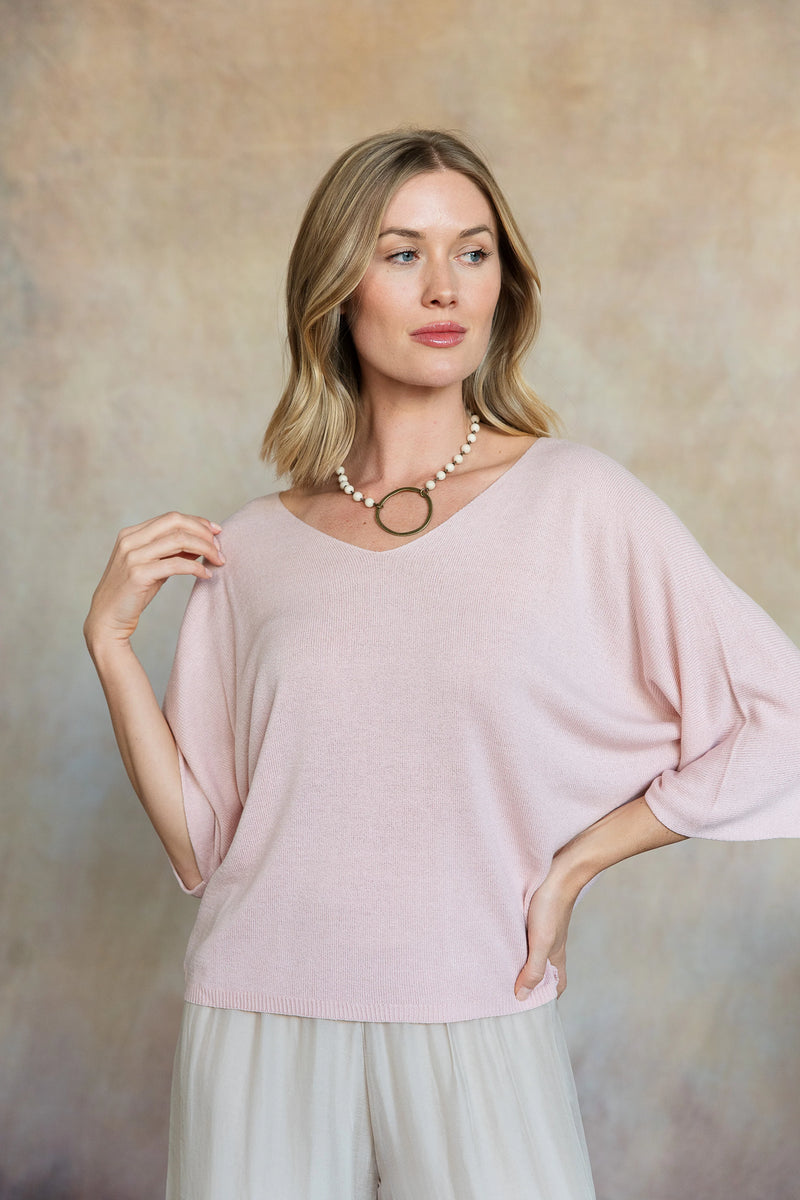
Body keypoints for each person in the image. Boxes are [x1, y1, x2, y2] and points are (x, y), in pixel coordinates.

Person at [84, 129, 800, 1200]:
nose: (444, 288)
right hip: (255, 1014)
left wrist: (576, 863)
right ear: (337, 287)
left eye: (472, 252)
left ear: (504, 283)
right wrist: (110, 647)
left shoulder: (576, 501)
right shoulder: (255, 546)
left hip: (474, 997)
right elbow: (204, 845)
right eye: (401, 252)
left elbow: (778, 718)